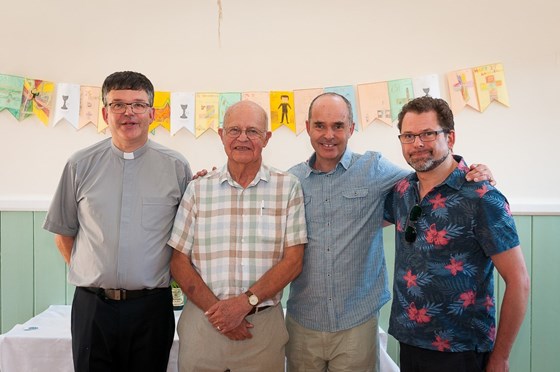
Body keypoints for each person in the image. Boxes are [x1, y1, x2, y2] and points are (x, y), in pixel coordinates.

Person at [285, 92, 494, 371]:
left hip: (357, 321)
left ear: (351, 128)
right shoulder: (290, 181)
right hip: (303, 321)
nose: (329, 135)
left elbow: (429, 174)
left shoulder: (374, 168)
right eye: (320, 125)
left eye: (338, 125)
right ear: (308, 127)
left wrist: (478, 170)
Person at [43, 71, 193, 372]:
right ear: (104, 112)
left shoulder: (176, 167)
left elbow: (186, 237)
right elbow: (64, 233)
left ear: (152, 112)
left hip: (151, 308)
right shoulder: (79, 165)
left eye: (138, 104)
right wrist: (91, 273)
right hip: (92, 308)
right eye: (118, 104)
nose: (129, 112)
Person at [383, 96, 530, 372]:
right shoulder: (403, 191)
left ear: (450, 138)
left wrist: (500, 358)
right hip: (409, 340)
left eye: (428, 134)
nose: (417, 144)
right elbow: (361, 219)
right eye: (409, 135)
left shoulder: (482, 197)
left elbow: (519, 281)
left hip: (461, 349)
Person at [168, 100, 307, 372]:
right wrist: (221, 314)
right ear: (221, 135)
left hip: (261, 328)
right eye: (234, 130)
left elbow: (293, 261)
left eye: (253, 131)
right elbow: (178, 261)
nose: (242, 138)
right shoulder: (198, 189)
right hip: (203, 325)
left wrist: (244, 304)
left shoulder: (288, 187)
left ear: (266, 139)